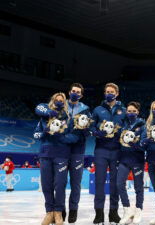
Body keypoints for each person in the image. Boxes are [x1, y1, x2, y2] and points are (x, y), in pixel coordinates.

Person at [35, 82, 91, 224]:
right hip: (48, 152)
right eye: (73, 91)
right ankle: (50, 212)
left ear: (81, 95)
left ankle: (67, 210)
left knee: (66, 183)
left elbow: (79, 133)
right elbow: (38, 111)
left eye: (78, 92)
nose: (75, 93)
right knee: (48, 184)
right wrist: (44, 131)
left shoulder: (82, 111)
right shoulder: (47, 113)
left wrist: (62, 137)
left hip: (67, 152)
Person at [91, 82, 126, 225]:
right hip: (101, 149)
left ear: (117, 93)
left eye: (112, 91)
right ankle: (99, 214)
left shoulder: (123, 110)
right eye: (107, 91)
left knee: (115, 183)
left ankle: (113, 213)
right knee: (99, 182)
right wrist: (97, 132)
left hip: (117, 150)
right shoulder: (98, 109)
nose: (109, 94)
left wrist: (122, 133)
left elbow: (127, 127)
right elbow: (91, 126)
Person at [116, 101, 146, 225]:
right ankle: (127, 210)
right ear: (126, 112)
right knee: (119, 184)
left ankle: (138, 210)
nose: (131, 113)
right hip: (124, 159)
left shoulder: (143, 125)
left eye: (134, 111)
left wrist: (135, 144)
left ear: (138, 112)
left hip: (137, 160)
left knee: (138, 187)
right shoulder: (123, 124)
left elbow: (144, 145)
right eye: (129, 111)